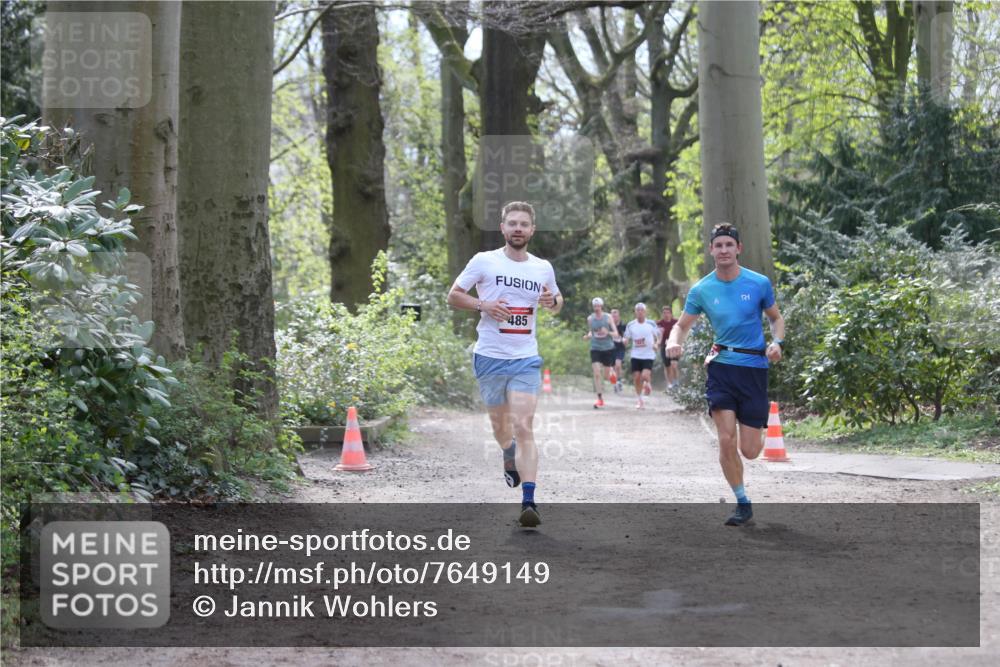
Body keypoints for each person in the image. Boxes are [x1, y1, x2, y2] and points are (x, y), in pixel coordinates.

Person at [447, 201, 563, 527]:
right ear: (502, 228)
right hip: (489, 358)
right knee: (502, 430)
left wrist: (551, 301)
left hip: (526, 358)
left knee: (524, 425)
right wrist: (483, 304)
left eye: (523, 224)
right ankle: (507, 451)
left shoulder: (542, 267)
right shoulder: (484, 261)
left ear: (531, 230)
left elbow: (556, 301)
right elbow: (453, 295)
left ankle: (529, 500)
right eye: (512, 223)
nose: (517, 229)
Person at [665, 223, 785, 527]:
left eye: (729, 245)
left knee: (750, 450)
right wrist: (673, 342)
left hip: (754, 369)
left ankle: (752, 442)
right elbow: (681, 325)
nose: (723, 251)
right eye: (718, 246)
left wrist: (777, 343)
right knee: (726, 439)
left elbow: (776, 319)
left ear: (738, 249)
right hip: (721, 368)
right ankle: (742, 502)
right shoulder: (702, 289)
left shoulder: (758, 283)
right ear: (711, 250)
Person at [583, 297, 619, 408]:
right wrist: (588, 336)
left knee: (607, 376)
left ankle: (612, 373)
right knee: (597, 373)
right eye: (595, 306)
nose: (596, 308)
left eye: (598, 306)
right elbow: (591, 331)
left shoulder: (608, 318)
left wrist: (607, 332)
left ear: (601, 306)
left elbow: (616, 334)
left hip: (608, 348)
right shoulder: (590, 319)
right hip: (595, 348)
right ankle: (599, 398)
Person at [623, 302, 660, 409]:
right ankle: (640, 399)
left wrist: (657, 344)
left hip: (648, 354)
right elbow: (626, 337)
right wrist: (624, 341)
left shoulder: (651, 324)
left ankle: (647, 383)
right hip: (636, 355)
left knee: (644, 375)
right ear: (635, 312)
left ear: (645, 312)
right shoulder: (631, 325)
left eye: (641, 310)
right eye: (637, 310)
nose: (639, 312)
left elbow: (658, 337)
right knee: (636, 378)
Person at [656, 305, 679, 390]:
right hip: (664, 347)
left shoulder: (676, 322)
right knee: (667, 366)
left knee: (674, 365)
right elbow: (656, 335)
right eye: (664, 313)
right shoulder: (659, 323)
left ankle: (676, 383)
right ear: (662, 314)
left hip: (674, 346)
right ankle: (669, 384)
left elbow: (681, 331)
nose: (666, 314)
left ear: (671, 314)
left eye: (668, 313)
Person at [610, 308, 626, 394]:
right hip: (610, 348)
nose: (614, 317)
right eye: (612, 315)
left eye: (615, 315)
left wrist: (625, 339)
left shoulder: (623, 326)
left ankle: (619, 381)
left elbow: (627, 336)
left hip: (620, 348)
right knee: (611, 368)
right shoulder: (608, 326)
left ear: (619, 316)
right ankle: (616, 382)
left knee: (618, 365)